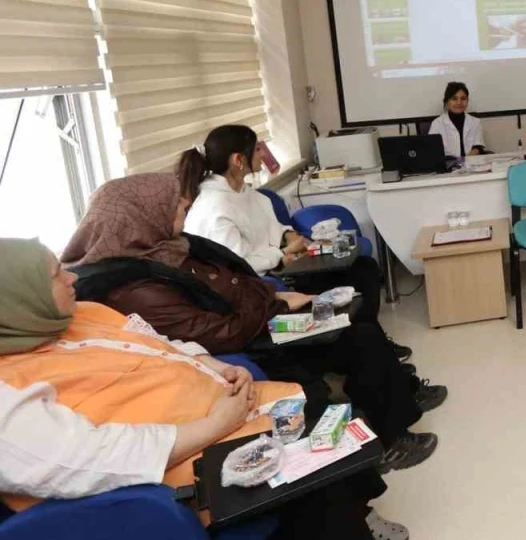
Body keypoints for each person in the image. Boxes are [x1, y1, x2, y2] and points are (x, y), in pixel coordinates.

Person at [0, 238, 406, 539]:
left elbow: (163, 343)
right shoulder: (7, 387)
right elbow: (89, 459)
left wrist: (217, 367)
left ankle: (360, 513)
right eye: (55, 275)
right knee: (321, 485)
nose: (72, 276)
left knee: (330, 427)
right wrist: (216, 424)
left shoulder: (83, 313)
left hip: (230, 411)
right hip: (191, 465)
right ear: (18, 299)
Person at [61, 172, 442, 473]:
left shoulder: (168, 249)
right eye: (175, 204)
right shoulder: (133, 287)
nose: (184, 209)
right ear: (143, 215)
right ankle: (389, 441)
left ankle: (401, 404)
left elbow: (236, 282)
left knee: (358, 324)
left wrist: (278, 298)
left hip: (258, 321)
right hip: (248, 347)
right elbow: (217, 334)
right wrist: (276, 304)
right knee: (358, 340)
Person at [179, 125, 390, 333]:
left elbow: (271, 227)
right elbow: (238, 266)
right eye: (257, 149)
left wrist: (289, 236)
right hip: (258, 284)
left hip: (282, 266)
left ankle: (375, 336)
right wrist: (284, 254)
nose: (263, 154)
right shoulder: (215, 207)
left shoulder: (244, 192)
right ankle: (365, 336)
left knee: (365, 268)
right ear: (238, 160)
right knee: (357, 277)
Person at [428, 81, 485, 157]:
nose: (459, 102)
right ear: (447, 101)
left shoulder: (475, 122)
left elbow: (478, 147)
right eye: (454, 98)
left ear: (467, 101)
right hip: (447, 163)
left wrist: (466, 160)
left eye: (463, 98)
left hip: (470, 161)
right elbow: (432, 149)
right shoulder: (437, 123)